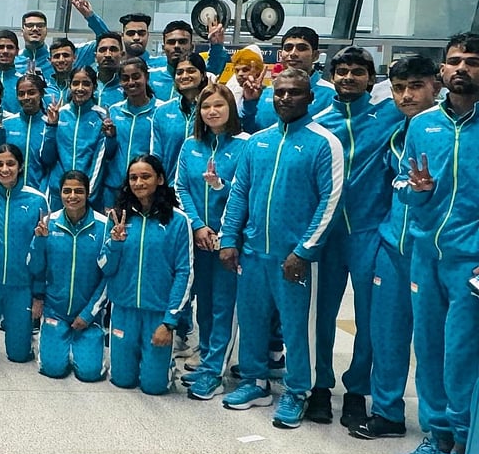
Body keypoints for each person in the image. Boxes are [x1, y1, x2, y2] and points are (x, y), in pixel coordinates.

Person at [219, 68, 344, 429]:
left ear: (309, 97)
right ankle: (255, 382)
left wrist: (304, 251)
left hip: (295, 259)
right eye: (280, 93)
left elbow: (331, 200)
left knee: (297, 328)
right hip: (254, 252)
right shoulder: (258, 142)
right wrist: (230, 240)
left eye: (294, 92)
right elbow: (239, 193)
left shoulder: (324, 143)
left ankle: (297, 390)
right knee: (252, 320)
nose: (285, 98)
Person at [390, 33, 479, 454]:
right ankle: (437, 436)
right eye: (454, 61)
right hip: (426, 254)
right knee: (427, 349)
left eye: (472, 60)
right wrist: (416, 190)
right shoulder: (422, 125)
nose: (461, 67)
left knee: (461, 356)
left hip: (471, 264)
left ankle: (464, 449)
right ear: (442, 71)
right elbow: (402, 186)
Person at [310, 47, 402, 429]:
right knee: (321, 316)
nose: (348, 78)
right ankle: (319, 386)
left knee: (368, 317)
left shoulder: (388, 118)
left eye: (357, 72)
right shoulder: (319, 122)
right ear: (333, 75)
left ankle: (356, 391)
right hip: (327, 236)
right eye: (342, 71)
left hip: (368, 233)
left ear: (371, 78)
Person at [351, 54, 438, 440]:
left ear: (436, 85)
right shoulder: (396, 132)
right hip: (391, 245)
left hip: (434, 251)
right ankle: (387, 413)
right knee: (386, 333)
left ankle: (443, 429)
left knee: (434, 343)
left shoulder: (451, 133)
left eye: (415, 86)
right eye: (400, 88)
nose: (406, 96)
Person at [173, 83, 249, 400]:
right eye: (206, 107)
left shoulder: (246, 145)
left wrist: (222, 187)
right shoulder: (191, 145)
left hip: (228, 242)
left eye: (219, 105)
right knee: (203, 303)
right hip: (199, 239)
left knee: (223, 307)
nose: (212, 111)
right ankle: (206, 358)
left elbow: (246, 193)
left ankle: (215, 371)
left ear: (230, 108)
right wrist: (198, 226)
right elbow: (181, 189)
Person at [99, 154, 191, 395]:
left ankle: (167, 367)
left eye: (145, 176)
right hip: (124, 310)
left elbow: (185, 272)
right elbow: (105, 266)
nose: (138, 182)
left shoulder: (178, 221)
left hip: (157, 313)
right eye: (133, 178)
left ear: (160, 179)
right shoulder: (118, 218)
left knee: (153, 387)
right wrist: (115, 243)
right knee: (122, 380)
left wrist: (169, 322)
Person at [0, 144, 49, 363]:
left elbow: (43, 253)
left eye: (10, 163)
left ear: (20, 166)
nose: (5, 169)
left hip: (21, 286)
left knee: (18, 356)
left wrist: (39, 294)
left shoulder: (37, 200)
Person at [29, 170, 109, 381]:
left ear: (88, 193)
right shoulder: (48, 222)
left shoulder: (103, 226)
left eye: (78, 191)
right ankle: (59, 342)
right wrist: (39, 241)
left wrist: (89, 314)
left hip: (88, 315)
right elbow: (35, 268)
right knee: (53, 370)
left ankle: (83, 344)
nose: (72, 196)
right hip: (56, 311)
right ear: (60, 193)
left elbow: (108, 276)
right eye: (67, 191)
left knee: (90, 374)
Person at [240, 27, 335, 133]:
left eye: (302, 48)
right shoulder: (265, 93)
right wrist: (250, 103)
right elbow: (250, 132)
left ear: (315, 55)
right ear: (281, 54)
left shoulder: (331, 95)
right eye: (288, 48)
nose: (293, 53)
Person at [101, 57, 164, 210]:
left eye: (136, 76)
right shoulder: (114, 111)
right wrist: (110, 138)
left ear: (146, 77)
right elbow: (108, 154)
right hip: (114, 188)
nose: (131, 82)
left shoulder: (161, 111)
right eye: (125, 78)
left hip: (145, 190)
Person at [53, 66, 113, 208]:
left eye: (86, 83)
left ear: (94, 86)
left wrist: (87, 192)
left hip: (89, 195)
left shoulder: (102, 116)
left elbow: (101, 159)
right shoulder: (59, 114)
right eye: (75, 83)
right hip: (59, 193)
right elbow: (49, 157)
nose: (80, 88)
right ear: (69, 85)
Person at [152, 52, 211, 180]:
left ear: (203, 75)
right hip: (170, 186)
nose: (184, 76)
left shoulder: (212, 109)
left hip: (203, 186)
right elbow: (157, 154)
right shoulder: (162, 111)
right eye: (179, 72)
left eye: (191, 71)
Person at [148, 20, 226, 102]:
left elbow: (214, 66)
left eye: (182, 42)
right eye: (171, 42)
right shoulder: (150, 78)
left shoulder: (202, 76)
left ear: (192, 47)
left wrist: (217, 46)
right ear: (163, 48)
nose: (177, 46)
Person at [5, 73, 58, 190]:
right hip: (12, 192)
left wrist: (51, 127)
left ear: (41, 94)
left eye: (31, 92)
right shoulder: (7, 124)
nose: (26, 97)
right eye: (21, 94)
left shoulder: (50, 124)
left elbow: (50, 161)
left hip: (41, 191)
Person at [92, 32, 125, 107]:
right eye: (102, 50)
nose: (107, 55)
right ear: (95, 56)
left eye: (113, 49)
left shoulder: (128, 86)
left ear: (122, 55)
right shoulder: (85, 83)